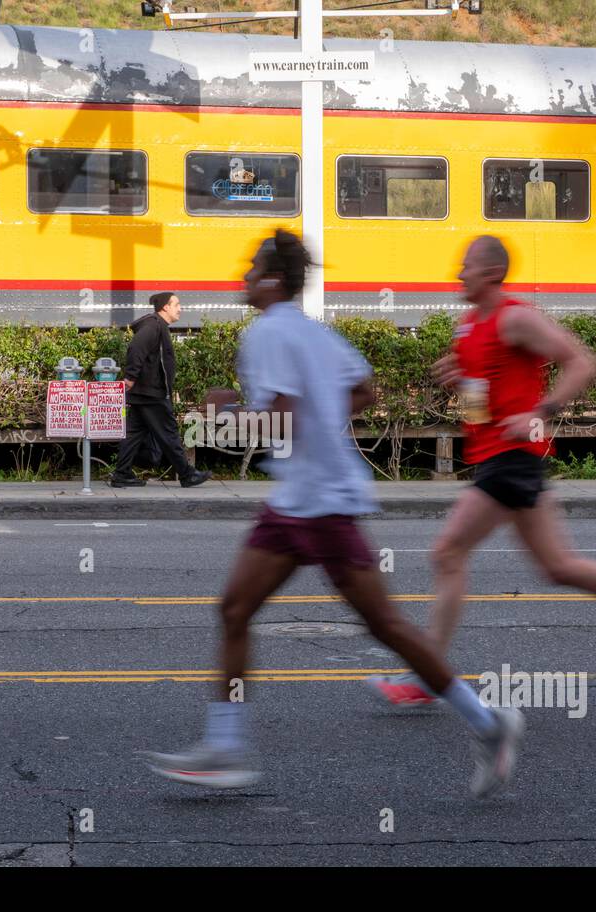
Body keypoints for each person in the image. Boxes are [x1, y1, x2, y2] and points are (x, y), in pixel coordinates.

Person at [143, 230, 525, 798]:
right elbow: (364, 390)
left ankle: (490, 722)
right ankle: (224, 747)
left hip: (319, 505)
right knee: (235, 609)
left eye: (252, 269)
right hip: (299, 499)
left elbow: (282, 419)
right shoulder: (313, 333)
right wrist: (320, 421)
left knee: (385, 626)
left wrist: (221, 415)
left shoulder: (269, 332)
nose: (243, 278)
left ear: (272, 281)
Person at [366, 235, 596, 709]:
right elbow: (480, 403)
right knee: (558, 567)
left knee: (447, 553)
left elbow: (583, 362)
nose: (458, 274)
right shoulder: (469, 327)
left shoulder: (516, 317)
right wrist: (458, 384)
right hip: (498, 456)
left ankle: (429, 677)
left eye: (466, 266)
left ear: (490, 273)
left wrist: (540, 412)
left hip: (513, 458)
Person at [110, 291, 211, 489]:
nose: (180, 308)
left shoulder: (158, 326)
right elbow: (136, 347)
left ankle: (122, 474)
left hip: (145, 393)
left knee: (133, 434)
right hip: (151, 393)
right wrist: (130, 376)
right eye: (176, 304)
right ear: (165, 307)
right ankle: (187, 474)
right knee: (169, 433)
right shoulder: (153, 326)